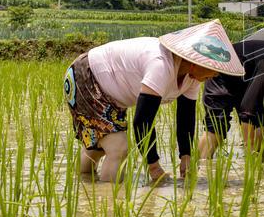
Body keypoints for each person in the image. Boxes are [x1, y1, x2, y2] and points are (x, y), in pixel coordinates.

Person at [63, 20, 244, 183]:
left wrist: (186, 156)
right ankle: (106, 204)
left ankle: (83, 185)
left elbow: (185, 118)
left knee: (100, 145)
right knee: (118, 149)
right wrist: (154, 165)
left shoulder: (192, 78)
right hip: (86, 76)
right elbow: (143, 121)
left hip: (112, 94)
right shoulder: (161, 65)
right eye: (213, 68)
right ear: (196, 62)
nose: (215, 74)